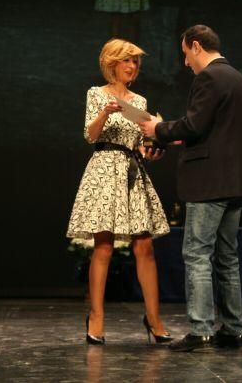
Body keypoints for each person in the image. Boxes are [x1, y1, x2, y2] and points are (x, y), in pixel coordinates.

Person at [139, 25, 242, 352]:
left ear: (196, 46)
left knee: (197, 254)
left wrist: (156, 128)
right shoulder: (239, 79)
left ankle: (201, 329)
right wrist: (172, 137)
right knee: (227, 258)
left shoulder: (209, 78)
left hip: (209, 183)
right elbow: (213, 132)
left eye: (186, 54)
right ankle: (233, 329)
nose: (186, 62)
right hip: (235, 182)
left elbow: (194, 124)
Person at [67, 39, 170, 345]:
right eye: (128, 61)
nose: (133, 67)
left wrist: (151, 151)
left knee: (144, 246)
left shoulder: (139, 101)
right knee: (104, 246)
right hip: (103, 169)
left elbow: (140, 141)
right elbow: (91, 135)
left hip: (132, 170)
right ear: (112, 63)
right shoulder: (96, 94)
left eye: (136, 62)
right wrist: (105, 112)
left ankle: (153, 318)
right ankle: (96, 317)